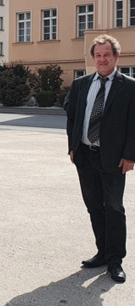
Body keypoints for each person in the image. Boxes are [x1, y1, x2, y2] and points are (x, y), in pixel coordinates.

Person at [66, 34, 135, 282]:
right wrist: (72, 147)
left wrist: (130, 155)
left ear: (116, 57)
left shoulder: (129, 86)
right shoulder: (81, 84)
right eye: (98, 55)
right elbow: (72, 117)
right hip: (85, 155)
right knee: (94, 206)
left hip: (115, 159)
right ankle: (102, 253)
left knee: (114, 208)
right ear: (93, 58)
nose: (102, 59)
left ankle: (115, 260)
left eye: (107, 55)